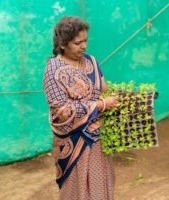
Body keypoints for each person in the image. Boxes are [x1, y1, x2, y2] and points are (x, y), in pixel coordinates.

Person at [43, 16, 119, 200]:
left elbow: (104, 90)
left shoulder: (91, 61)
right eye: (78, 43)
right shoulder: (53, 71)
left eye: (85, 41)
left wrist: (117, 100)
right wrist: (101, 105)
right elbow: (62, 112)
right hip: (75, 143)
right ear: (62, 44)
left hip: (99, 140)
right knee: (77, 189)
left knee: (101, 182)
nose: (84, 46)